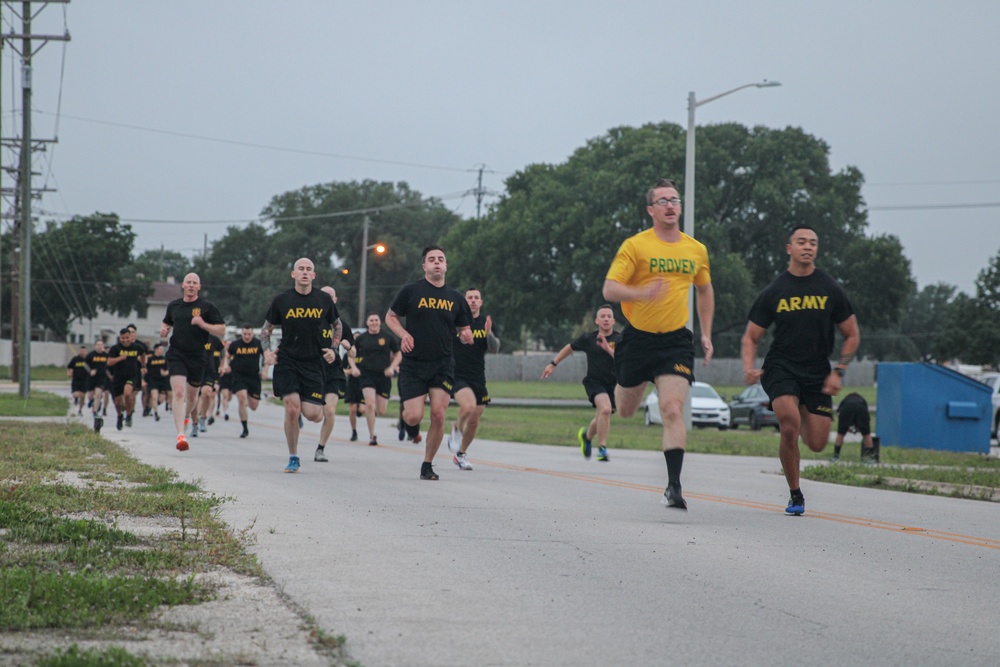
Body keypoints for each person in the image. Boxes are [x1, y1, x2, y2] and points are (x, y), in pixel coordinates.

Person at [602, 178, 715, 510]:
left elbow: (705, 289)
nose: (670, 205)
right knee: (624, 410)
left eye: (675, 200)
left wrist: (705, 333)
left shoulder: (695, 249)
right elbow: (609, 289)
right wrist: (641, 293)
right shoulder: (636, 246)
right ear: (651, 210)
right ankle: (627, 383)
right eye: (663, 201)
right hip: (637, 339)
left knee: (671, 409)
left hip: (676, 341)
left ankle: (674, 486)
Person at [740, 224, 861, 516]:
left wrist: (839, 371)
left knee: (818, 443)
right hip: (781, 366)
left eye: (813, 243)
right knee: (789, 423)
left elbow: (852, 334)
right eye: (801, 241)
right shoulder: (775, 290)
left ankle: (805, 410)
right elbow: (751, 337)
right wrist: (748, 367)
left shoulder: (830, 289)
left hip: (817, 370)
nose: (808, 246)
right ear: (789, 248)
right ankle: (795, 494)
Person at [385, 245, 473, 481]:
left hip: (442, 364)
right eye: (431, 259)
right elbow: (391, 317)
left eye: (440, 259)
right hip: (413, 363)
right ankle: (409, 426)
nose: (436, 263)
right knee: (413, 416)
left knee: (438, 415)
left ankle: (427, 464)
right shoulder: (411, 291)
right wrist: (403, 335)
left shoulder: (456, 298)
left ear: (445, 266)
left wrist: (467, 335)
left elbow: (465, 328)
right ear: (424, 266)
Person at [261, 257, 341, 473]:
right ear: (293, 274)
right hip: (287, 360)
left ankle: (302, 418)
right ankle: (293, 456)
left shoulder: (324, 299)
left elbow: (337, 325)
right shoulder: (282, 300)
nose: (305, 272)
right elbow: (266, 329)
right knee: (292, 408)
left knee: (314, 415)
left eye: (309, 269)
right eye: (301, 269)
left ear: (314, 275)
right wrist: (267, 352)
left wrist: (333, 349)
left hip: (314, 363)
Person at [541, 305, 620, 462]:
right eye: (602, 316)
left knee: (602, 416)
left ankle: (586, 436)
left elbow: (624, 359)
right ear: (597, 321)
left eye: (608, 316)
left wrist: (608, 349)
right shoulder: (588, 339)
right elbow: (569, 348)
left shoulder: (620, 339)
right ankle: (602, 449)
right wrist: (553, 363)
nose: (605, 319)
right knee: (604, 410)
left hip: (614, 384)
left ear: (613, 320)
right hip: (594, 382)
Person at [161, 273, 227, 452]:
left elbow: (221, 329)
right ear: (183, 285)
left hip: (198, 357)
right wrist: (164, 329)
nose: (191, 285)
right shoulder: (174, 305)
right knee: (179, 392)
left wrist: (204, 325)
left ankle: (186, 417)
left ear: (199, 287)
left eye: (194, 283)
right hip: (177, 354)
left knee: (191, 397)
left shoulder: (207, 307)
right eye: (188, 282)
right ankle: (180, 435)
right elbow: (166, 322)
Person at [447, 288, 500, 470]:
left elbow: (494, 349)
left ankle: (461, 454)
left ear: (481, 302)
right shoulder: (456, 320)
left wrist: (489, 333)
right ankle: (456, 428)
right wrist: (462, 337)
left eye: (477, 298)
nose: (473, 301)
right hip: (457, 374)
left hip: (478, 376)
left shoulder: (486, 322)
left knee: (475, 420)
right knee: (467, 406)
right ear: (464, 301)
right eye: (470, 298)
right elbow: (451, 341)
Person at [314, 287, 356, 461]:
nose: (327, 299)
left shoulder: (341, 325)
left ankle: (320, 449)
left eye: (330, 296)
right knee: (315, 415)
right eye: (324, 296)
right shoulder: (311, 321)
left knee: (329, 411)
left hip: (333, 372)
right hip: (313, 370)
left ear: (335, 300)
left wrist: (347, 346)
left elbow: (353, 353)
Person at [348, 312, 401, 447]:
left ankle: (368, 414)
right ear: (367, 323)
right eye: (371, 320)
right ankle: (372, 435)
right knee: (370, 404)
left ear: (380, 322)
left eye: (376, 320)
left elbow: (398, 354)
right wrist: (354, 367)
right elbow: (351, 353)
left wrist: (392, 367)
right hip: (366, 375)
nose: (374, 322)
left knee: (381, 410)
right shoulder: (361, 339)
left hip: (383, 375)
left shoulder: (387, 337)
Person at [226, 325, 265, 439]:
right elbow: (227, 356)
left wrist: (265, 370)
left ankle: (248, 396)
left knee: (254, 406)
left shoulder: (258, 344)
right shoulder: (235, 344)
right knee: (241, 399)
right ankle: (245, 428)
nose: (247, 337)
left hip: (253, 377)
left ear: (253, 334)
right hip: (239, 376)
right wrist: (225, 365)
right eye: (245, 334)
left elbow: (266, 357)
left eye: (249, 334)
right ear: (241, 334)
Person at [106, 327, 144, 430]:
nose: (125, 340)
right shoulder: (115, 348)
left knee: (128, 394)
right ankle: (119, 416)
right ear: (120, 338)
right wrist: (120, 358)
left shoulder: (137, 347)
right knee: (118, 403)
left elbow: (143, 354)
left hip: (131, 376)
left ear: (130, 337)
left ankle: (129, 415)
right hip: (118, 377)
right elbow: (109, 362)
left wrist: (143, 365)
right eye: (123, 338)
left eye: (127, 337)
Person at [191, 334, 225, 437]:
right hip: (194, 371)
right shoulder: (191, 337)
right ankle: (194, 424)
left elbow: (222, 350)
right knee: (194, 399)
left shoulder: (213, 339)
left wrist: (222, 365)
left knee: (207, 394)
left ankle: (203, 418)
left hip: (209, 372)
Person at [832, 392, 876, 462]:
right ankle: (871, 458)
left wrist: (844, 428)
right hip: (861, 408)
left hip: (846, 408)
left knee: (840, 433)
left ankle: (835, 456)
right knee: (866, 434)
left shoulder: (844, 401)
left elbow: (839, 414)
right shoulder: (862, 401)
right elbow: (867, 419)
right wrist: (862, 429)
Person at [85, 340, 110, 432]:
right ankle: (91, 400)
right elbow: (85, 365)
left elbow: (110, 365)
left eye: (101, 345)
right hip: (92, 378)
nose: (99, 346)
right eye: (98, 345)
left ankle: (95, 411)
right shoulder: (91, 355)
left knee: (99, 394)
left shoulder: (106, 356)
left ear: (103, 346)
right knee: (90, 395)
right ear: (95, 346)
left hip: (101, 378)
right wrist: (90, 371)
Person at [145, 343, 170, 421]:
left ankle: (151, 406)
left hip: (162, 381)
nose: (161, 351)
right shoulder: (150, 359)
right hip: (153, 380)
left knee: (161, 399)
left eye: (162, 349)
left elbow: (168, 370)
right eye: (160, 349)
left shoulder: (164, 359)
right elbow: (145, 370)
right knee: (154, 396)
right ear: (155, 349)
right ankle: (156, 413)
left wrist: (166, 373)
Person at [67, 345, 89, 415]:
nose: (82, 352)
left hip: (84, 380)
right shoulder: (75, 359)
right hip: (76, 380)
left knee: (82, 396)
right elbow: (69, 367)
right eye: (81, 351)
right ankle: (76, 399)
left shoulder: (88, 360)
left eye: (84, 351)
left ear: (86, 351)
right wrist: (69, 373)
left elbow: (91, 369)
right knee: (75, 394)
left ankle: (80, 410)